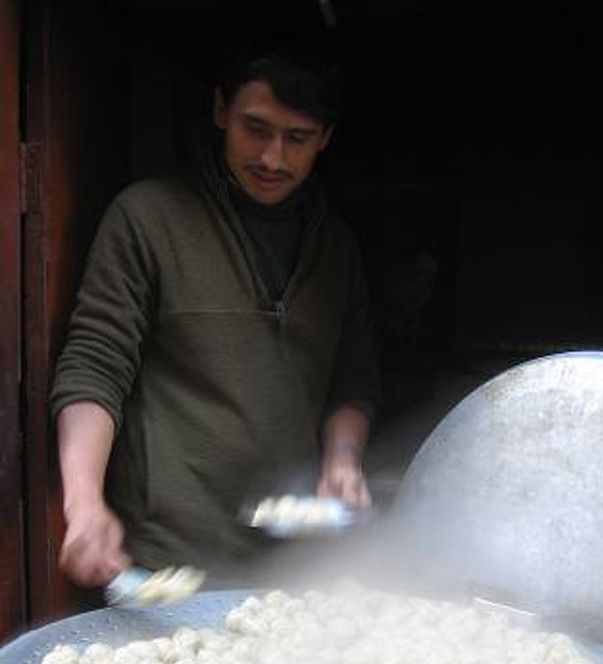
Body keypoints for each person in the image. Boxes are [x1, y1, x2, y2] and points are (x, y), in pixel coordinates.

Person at [50, 30, 380, 588]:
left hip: (292, 570)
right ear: (221, 110)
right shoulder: (147, 219)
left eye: (297, 138)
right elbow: (94, 366)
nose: (272, 157)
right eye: (257, 129)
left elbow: (354, 378)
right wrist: (83, 502)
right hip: (165, 565)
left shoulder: (336, 246)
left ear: (325, 139)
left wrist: (342, 462)